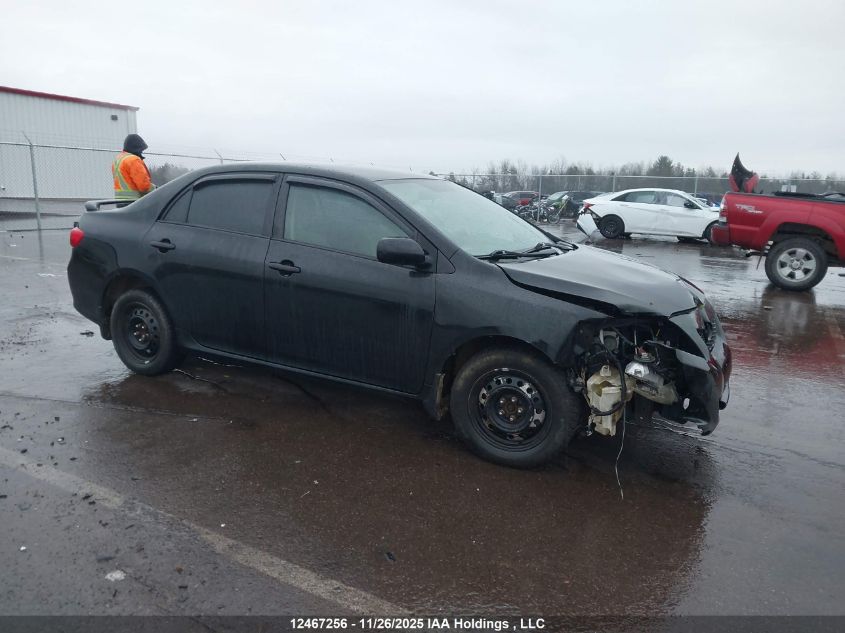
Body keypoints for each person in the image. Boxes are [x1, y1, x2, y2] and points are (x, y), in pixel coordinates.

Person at [113, 134, 155, 202]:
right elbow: (143, 186)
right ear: (136, 148)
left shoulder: (119, 159)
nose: (141, 152)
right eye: (141, 150)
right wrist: (156, 189)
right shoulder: (133, 160)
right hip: (133, 201)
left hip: (119, 201)